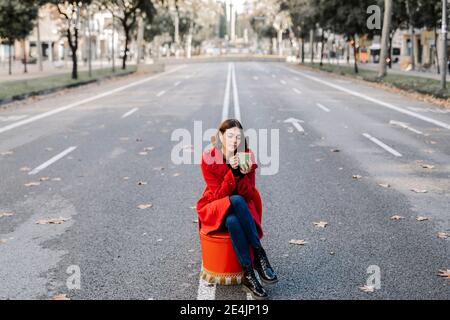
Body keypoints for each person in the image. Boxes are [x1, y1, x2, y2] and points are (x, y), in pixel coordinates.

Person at [196, 119, 278, 299]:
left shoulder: (246, 155)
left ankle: (248, 274)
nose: (234, 140)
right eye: (230, 135)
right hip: (216, 206)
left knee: (234, 217)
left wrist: (242, 172)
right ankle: (259, 253)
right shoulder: (209, 158)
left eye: (238, 137)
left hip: (241, 209)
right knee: (235, 200)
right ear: (221, 136)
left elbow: (248, 194)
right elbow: (217, 195)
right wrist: (231, 173)